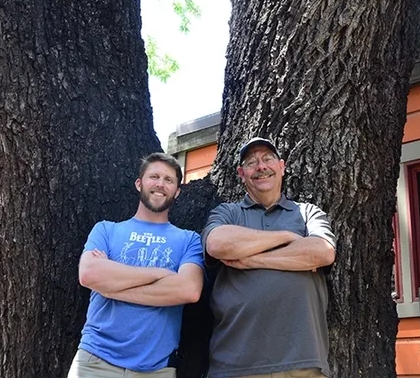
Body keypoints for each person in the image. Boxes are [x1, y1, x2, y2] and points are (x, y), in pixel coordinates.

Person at [203, 137, 336, 378]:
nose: (261, 166)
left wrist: (252, 259)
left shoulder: (307, 213)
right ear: (241, 174)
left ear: (282, 167)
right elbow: (217, 243)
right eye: (252, 162)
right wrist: (287, 236)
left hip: (302, 363)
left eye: (268, 159)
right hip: (235, 365)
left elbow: (323, 252)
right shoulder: (228, 213)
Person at [69, 152, 204, 378]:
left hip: (155, 368)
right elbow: (89, 274)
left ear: (177, 192)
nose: (160, 184)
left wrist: (111, 286)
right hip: (95, 361)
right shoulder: (106, 230)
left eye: (169, 180)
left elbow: (188, 290)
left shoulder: (189, 239)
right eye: (154, 176)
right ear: (139, 183)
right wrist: (160, 274)